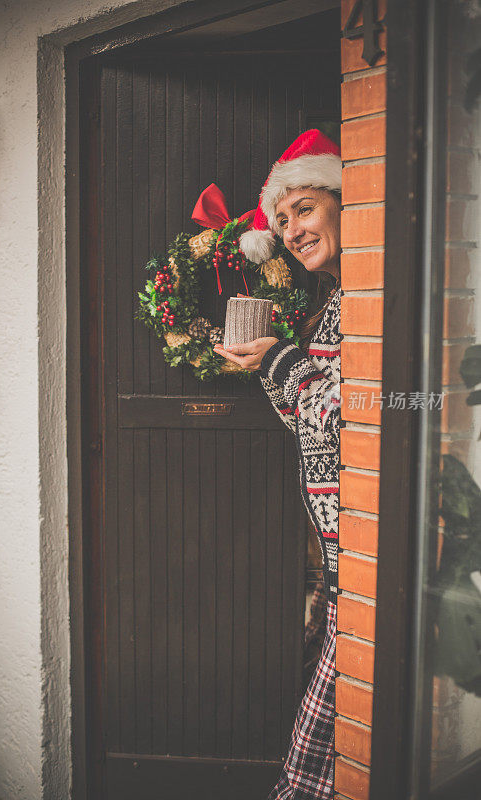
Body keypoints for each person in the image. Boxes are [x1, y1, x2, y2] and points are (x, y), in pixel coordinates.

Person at [213, 129, 341, 800]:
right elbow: (306, 421)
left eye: (306, 208)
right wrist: (267, 365)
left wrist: (279, 361)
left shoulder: (376, 301)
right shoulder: (334, 306)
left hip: (377, 561)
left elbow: (366, 411)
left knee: (316, 761)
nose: (291, 229)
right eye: (282, 218)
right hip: (344, 564)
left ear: (347, 202)